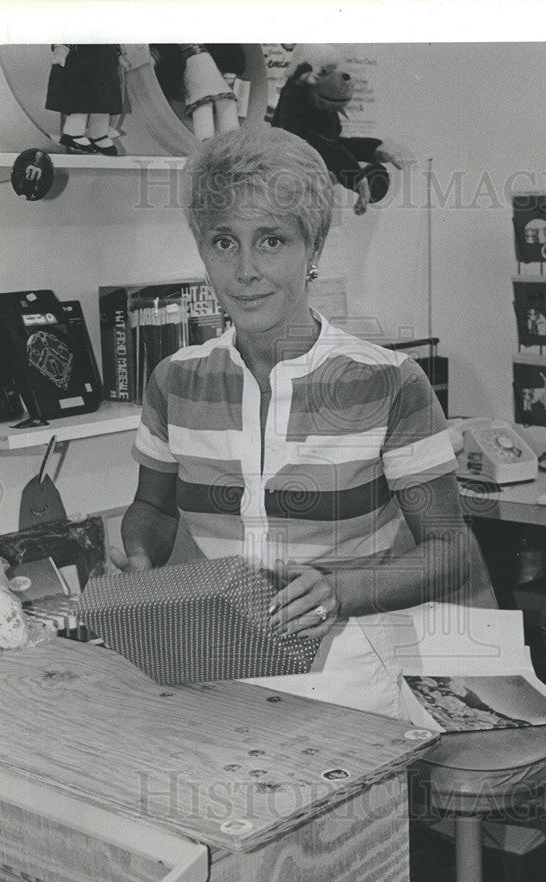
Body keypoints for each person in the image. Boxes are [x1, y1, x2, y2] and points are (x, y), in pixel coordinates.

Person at [111, 124, 473, 716]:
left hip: (349, 678)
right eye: (223, 242)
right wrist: (141, 555)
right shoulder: (173, 381)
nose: (245, 270)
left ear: (314, 250)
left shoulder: (388, 381)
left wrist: (341, 591)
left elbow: (449, 551)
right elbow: (153, 507)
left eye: (272, 240)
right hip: (211, 664)